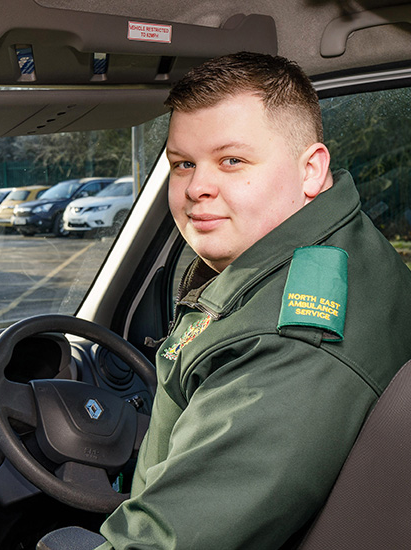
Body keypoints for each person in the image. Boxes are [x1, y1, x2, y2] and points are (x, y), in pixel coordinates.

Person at [38, 52, 411, 549]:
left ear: (311, 170)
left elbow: (167, 542)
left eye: (232, 161)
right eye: (182, 164)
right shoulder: (337, 243)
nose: (197, 187)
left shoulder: (289, 343)